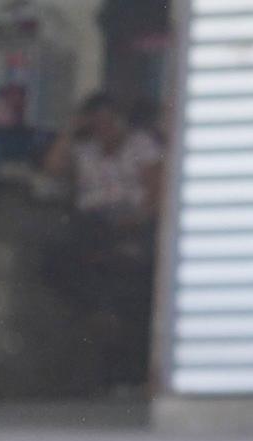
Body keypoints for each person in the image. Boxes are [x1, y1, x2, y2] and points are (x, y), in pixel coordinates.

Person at [43, 93, 167, 384]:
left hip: (132, 221)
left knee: (127, 273)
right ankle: (101, 311)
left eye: (109, 119)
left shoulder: (141, 145)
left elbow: (155, 194)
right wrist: (69, 131)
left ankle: (107, 318)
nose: (104, 127)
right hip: (93, 223)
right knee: (58, 258)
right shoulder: (84, 150)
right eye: (96, 120)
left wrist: (134, 220)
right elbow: (52, 168)